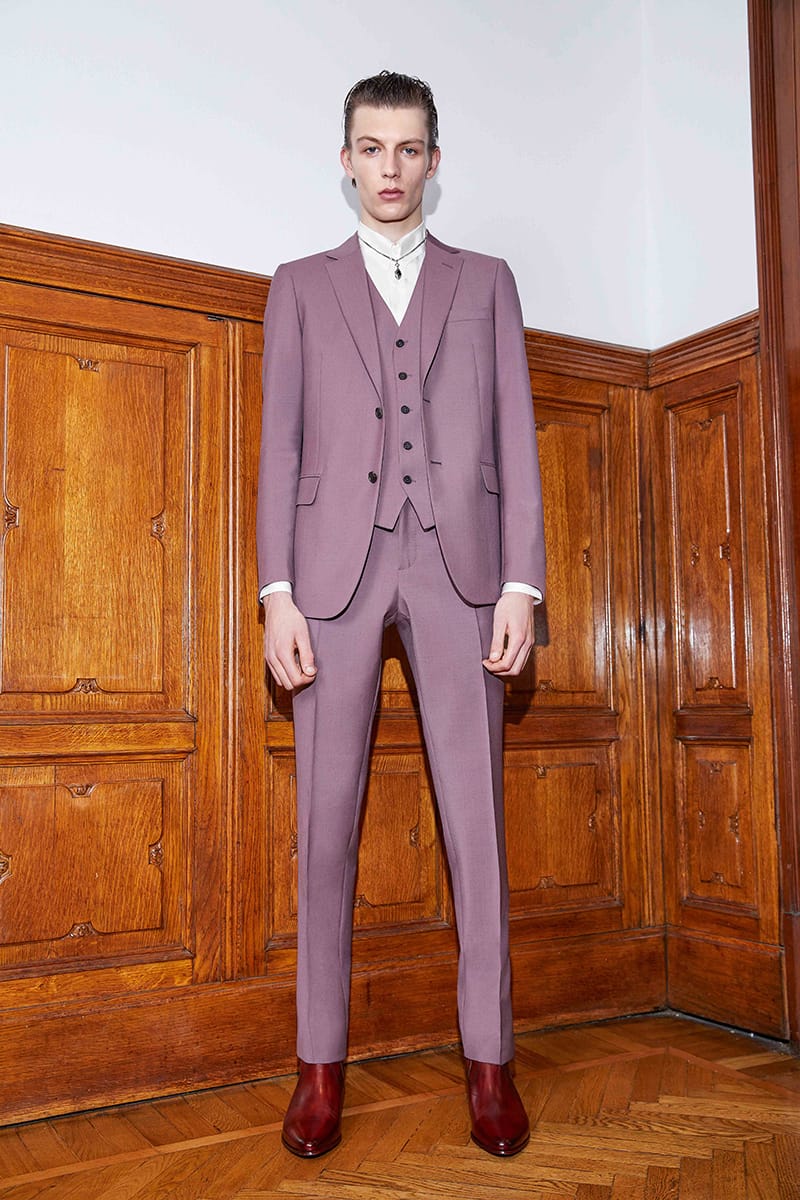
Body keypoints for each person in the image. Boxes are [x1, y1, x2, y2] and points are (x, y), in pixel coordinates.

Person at [257, 70, 545, 1159]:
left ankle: (490, 1065)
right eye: (371, 148)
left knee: (477, 827)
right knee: (324, 829)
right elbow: (279, 447)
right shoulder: (298, 286)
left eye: (409, 148)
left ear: (433, 159)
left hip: (460, 570)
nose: (390, 167)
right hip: (330, 574)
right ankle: (318, 1070)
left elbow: (515, 435)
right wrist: (275, 593)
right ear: (345, 160)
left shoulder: (487, 282)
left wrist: (520, 583)